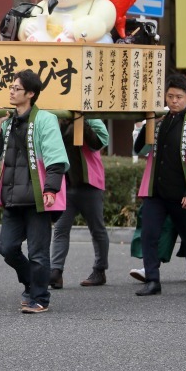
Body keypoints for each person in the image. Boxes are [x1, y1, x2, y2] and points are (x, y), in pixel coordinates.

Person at [0, 69, 69, 313]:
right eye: (10, 87)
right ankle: (31, 281)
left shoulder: (45, 120)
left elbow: (56, 159)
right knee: (7, 248)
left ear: (30, 94)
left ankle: (40, 298)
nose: (11, 91)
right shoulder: (7, 120)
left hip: (37, 197)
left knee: (38, 253)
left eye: (16, 88)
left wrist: (51, 188)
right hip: (11, 196)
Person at [133, 74, 186, 296]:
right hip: (156, 191)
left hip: (182, 193)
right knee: (149, 234)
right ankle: (152, 279)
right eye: (170, 96)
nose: (174, 101)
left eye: (178, 97)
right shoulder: (160, 121)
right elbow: (140, 149)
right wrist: (148, 124)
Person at [49, 118, 110, 288]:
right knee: (60, 229)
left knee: (97, 229)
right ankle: (56, 272)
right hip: (65, 185)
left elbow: (102, 141)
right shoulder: (55, 117)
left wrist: (82, 120)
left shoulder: (91, 117)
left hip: (90, 184)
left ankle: (100, 270)